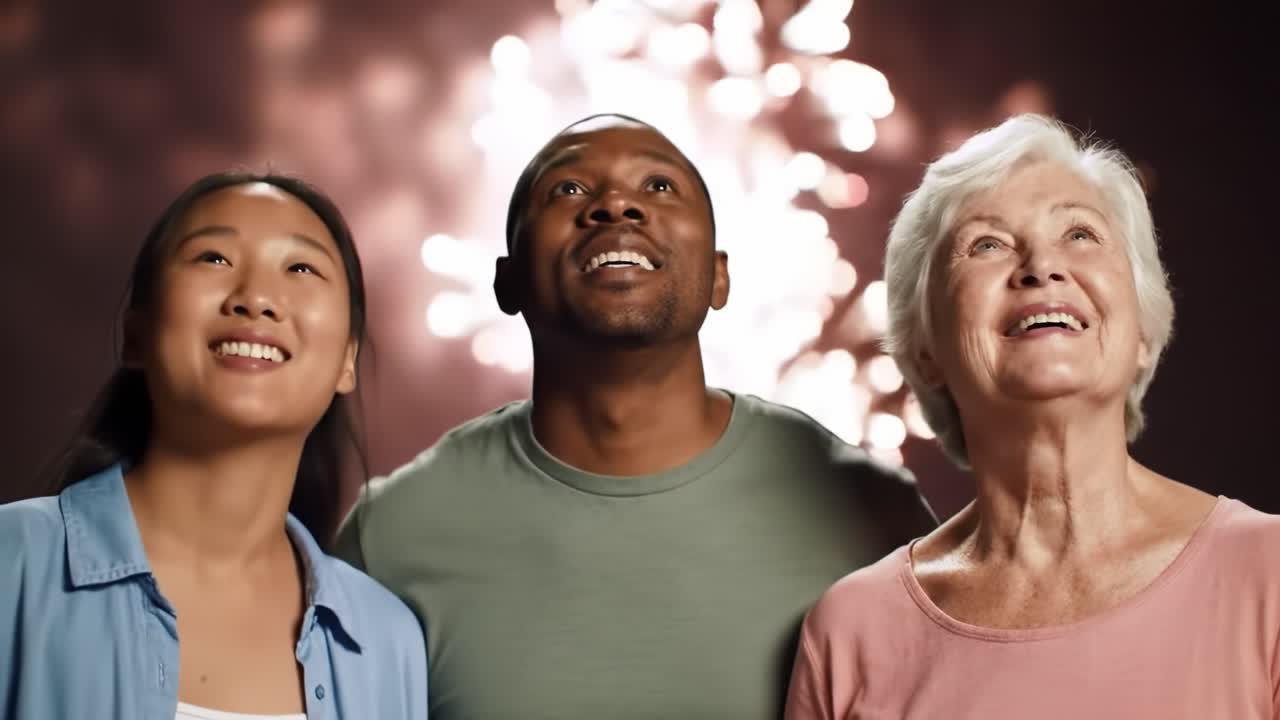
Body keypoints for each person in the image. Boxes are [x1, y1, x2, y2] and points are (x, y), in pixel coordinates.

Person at [334, 113, 935, 719]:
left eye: (659, 187)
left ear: (719, 277)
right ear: (506, 281)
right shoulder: (390, 538)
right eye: (566, 190)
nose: (616, 205)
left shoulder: (874, 515)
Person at [784, 114, 1280, 718]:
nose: (1041, 266)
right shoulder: (850, 633)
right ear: (925, 350)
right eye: (986, 244)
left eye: (1080, 233)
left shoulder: (1269, 575)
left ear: (1144, 332)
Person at [0, 172, 427, 719]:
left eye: (301, 268)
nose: (256, 299)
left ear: (347, 360)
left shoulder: (388, 641)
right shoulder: (14, 562)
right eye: (214, 259)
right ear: (136, 336)